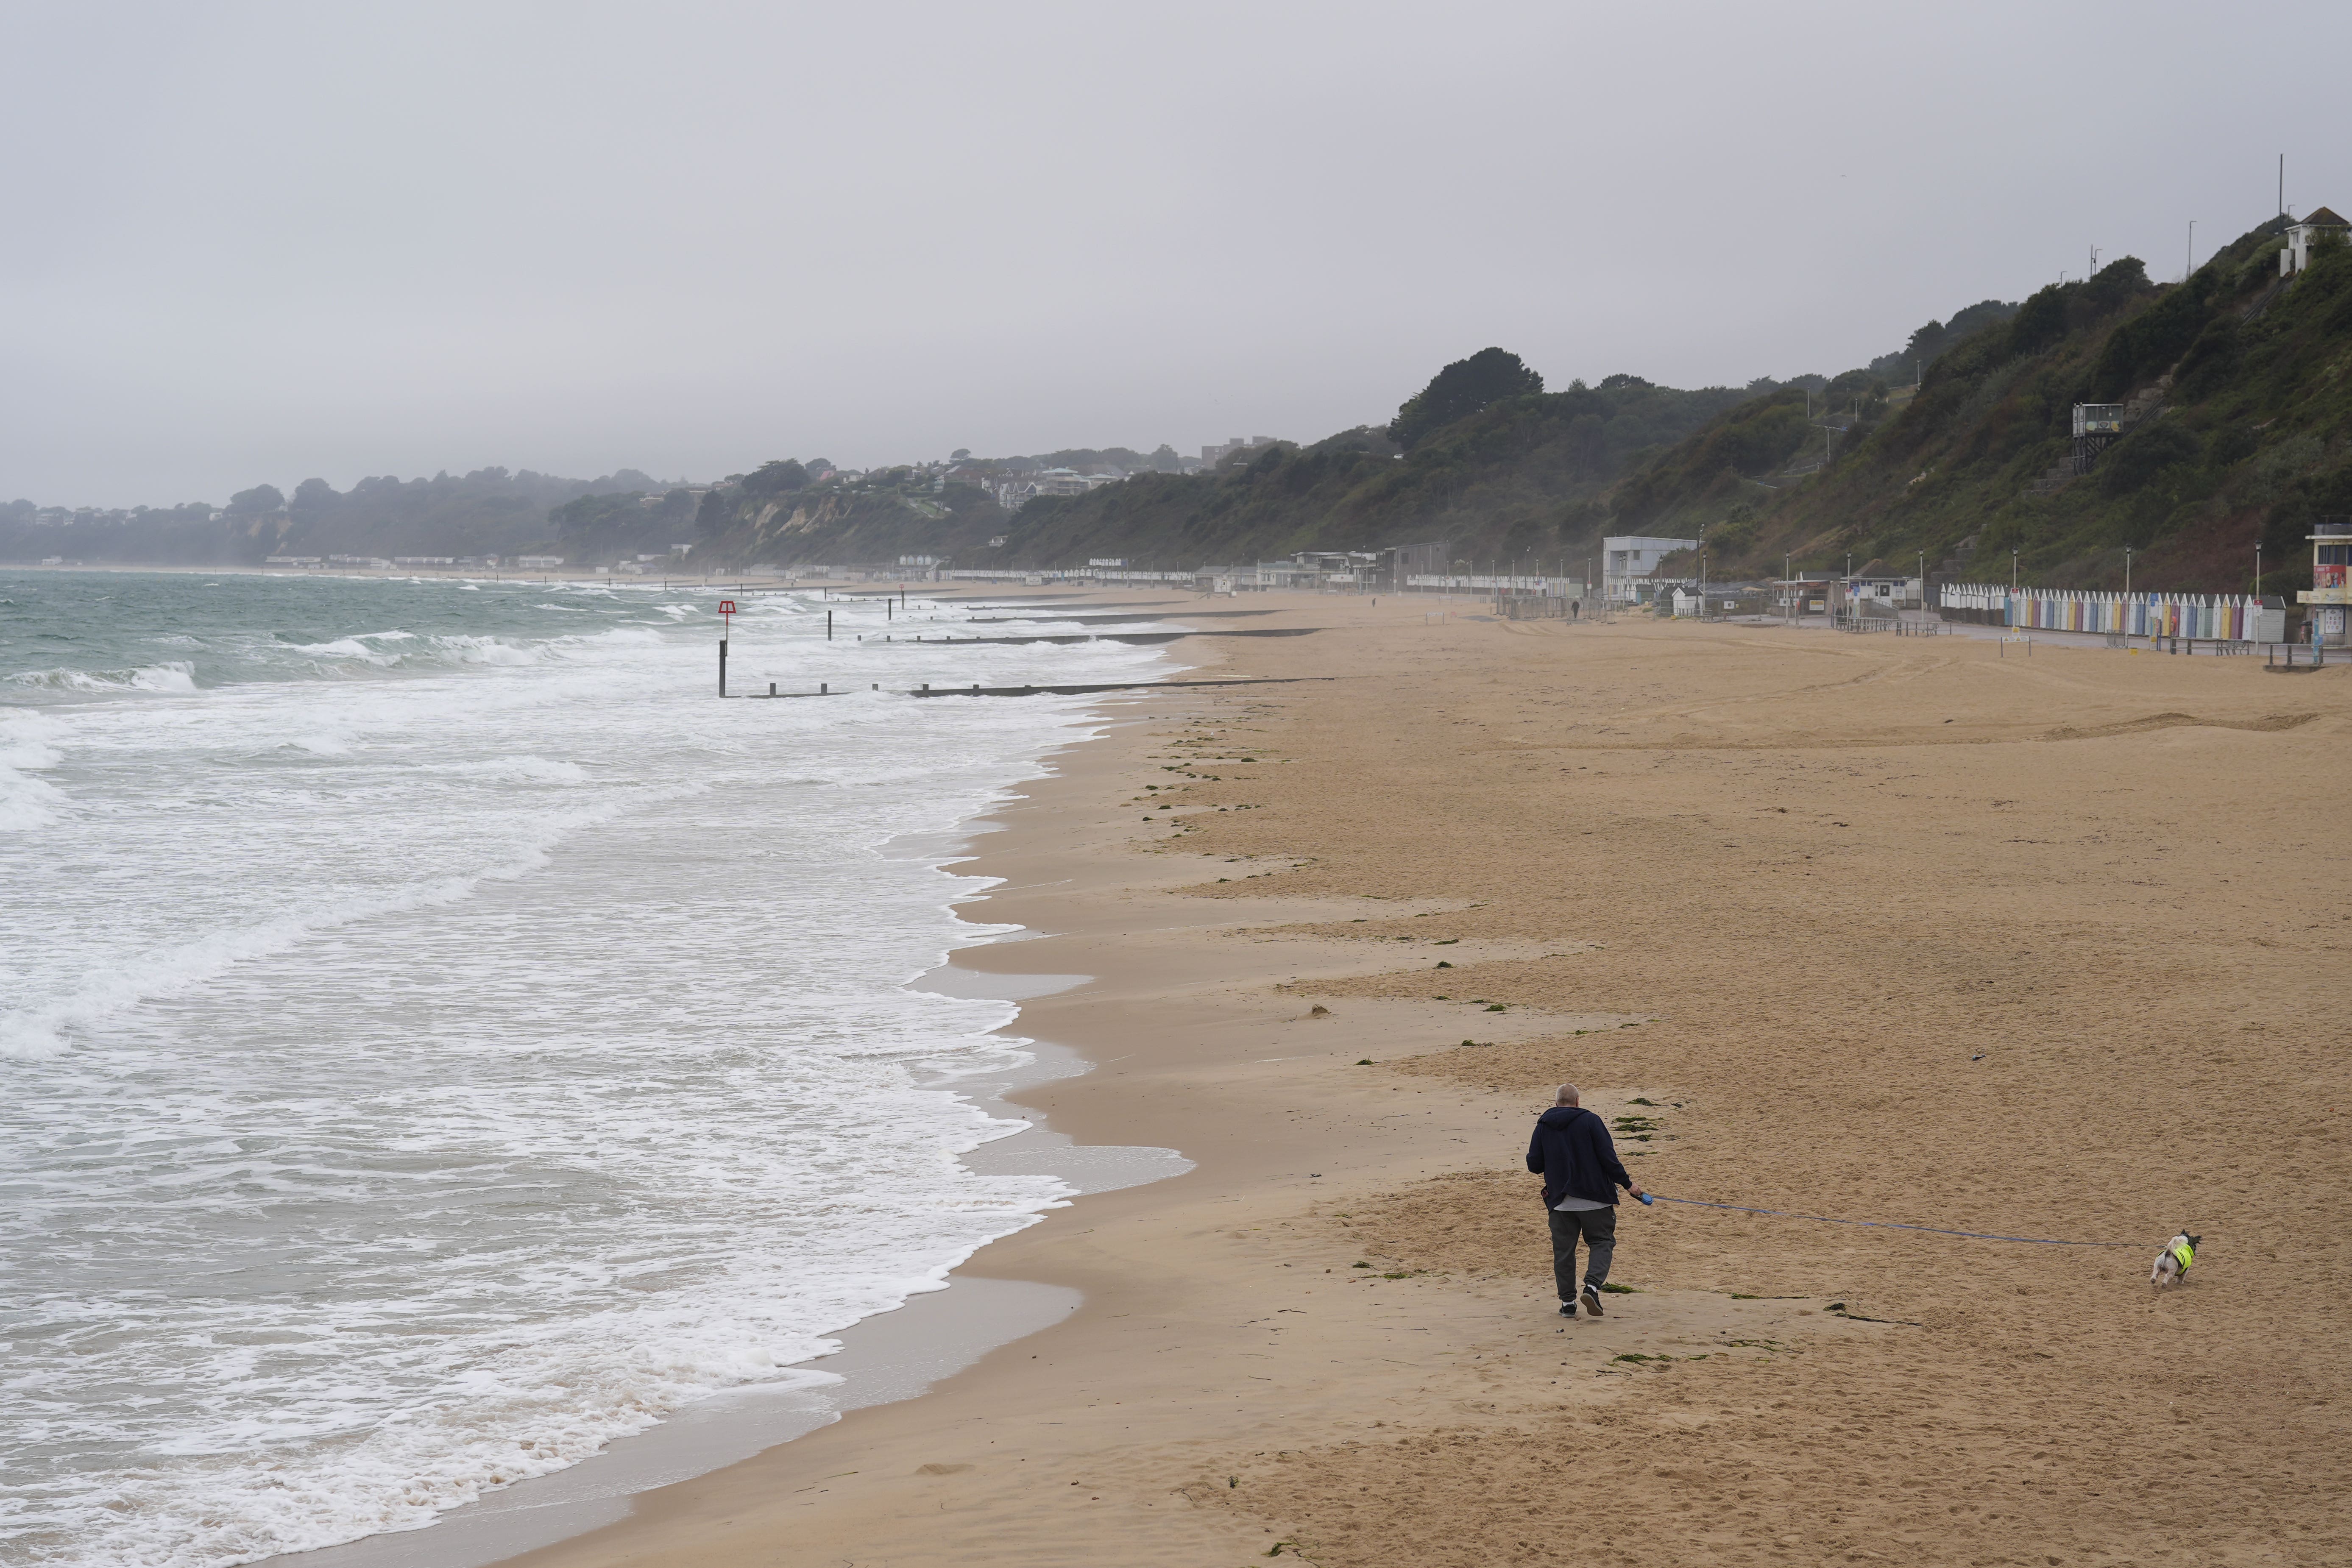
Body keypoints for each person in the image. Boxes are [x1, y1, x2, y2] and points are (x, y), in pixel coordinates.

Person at [1527, 1083, 1643, 1319]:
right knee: (1602, 1242)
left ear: (1557, 1102)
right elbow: (1608, 1158)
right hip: (1596, 1199)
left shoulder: (1544, 1125)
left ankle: (1568, 1304)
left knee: (1564, 1252)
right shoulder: (1591, 1121)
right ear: (1578, 1102)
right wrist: (1629, 1185)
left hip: (1561, 1202)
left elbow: (1534, 1165)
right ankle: (1591, 1287)